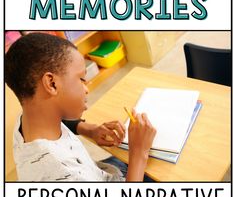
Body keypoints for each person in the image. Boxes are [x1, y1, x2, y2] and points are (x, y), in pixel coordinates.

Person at [5, 33, 156, 182]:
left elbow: (62, 122)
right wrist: (138, 153)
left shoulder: (29, 118)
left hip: (98, 172)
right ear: (51, 83)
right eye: (81, 79)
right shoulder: (62, 173)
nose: (86, 88)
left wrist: (90, 130)